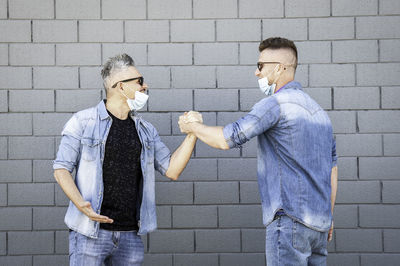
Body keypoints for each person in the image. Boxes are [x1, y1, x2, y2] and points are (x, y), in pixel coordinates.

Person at [179, 37, 338, 266]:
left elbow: (227, 139)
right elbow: (332, 170)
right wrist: (328, 216)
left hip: (290, 222)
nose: (256, 72)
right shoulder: (321, 114)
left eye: (261, 65)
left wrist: (192, 126)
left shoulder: (275, 105)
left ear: (280, 67)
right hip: (320, 227)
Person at [53, 54, 202, 266]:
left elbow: (172, 169)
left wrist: (193, 132)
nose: (145, 86)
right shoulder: (82, 121)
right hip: (90, 234)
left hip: (130, 236)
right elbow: (61, 169)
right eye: (140, 81)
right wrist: (81, 204)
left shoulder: (146, 131)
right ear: (120, 87)